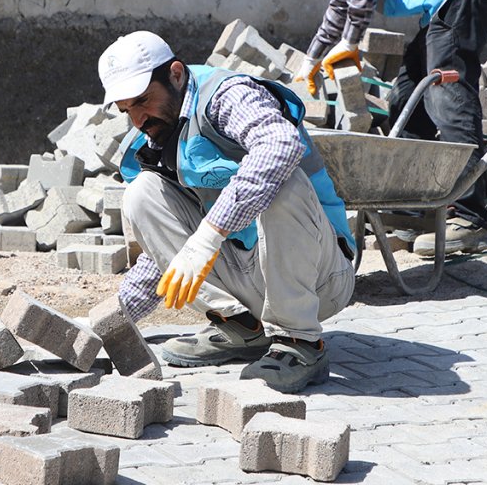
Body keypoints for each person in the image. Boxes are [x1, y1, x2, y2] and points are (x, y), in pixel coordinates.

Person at [100, 30, 355, 393]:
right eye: (128, 110)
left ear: (175, 74)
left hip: (321, 277)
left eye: (143, 100)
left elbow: (280, 145)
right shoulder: (159, 136)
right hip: (251, 275)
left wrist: (209, 234)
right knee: (141, 194)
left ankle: (300, 342)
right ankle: (240, 326)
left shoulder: (226, 96)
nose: (139, 118)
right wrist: (113, 322)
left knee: (280, 179)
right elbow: (168, 251)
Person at [261, 0, 487, 256]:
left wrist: (352, 41)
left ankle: (470, 217)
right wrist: (311, 59)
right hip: (445, 1)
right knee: (406, 97)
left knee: (446, 93)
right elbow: (342, 3)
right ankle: (414, 212)